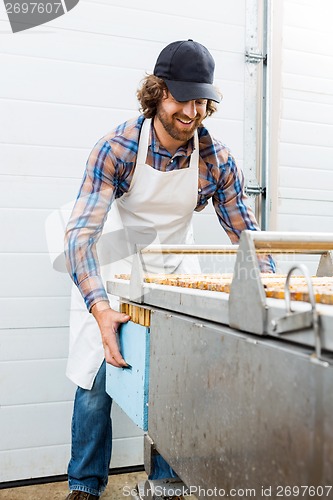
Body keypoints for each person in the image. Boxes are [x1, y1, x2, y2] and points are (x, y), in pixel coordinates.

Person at [64, 39, 275, 500]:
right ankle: (84, 486)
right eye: (182, 97)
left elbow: (246, 235)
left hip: (174, 267)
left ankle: (167, 484)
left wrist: (271, 293)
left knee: (175, 380)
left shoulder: (214, 159)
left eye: (202, 100)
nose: (192, 111)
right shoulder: (116, 148)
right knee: (98, 376)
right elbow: (79, 235)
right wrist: (99, 308)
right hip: (116, 267)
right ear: (156, 92)